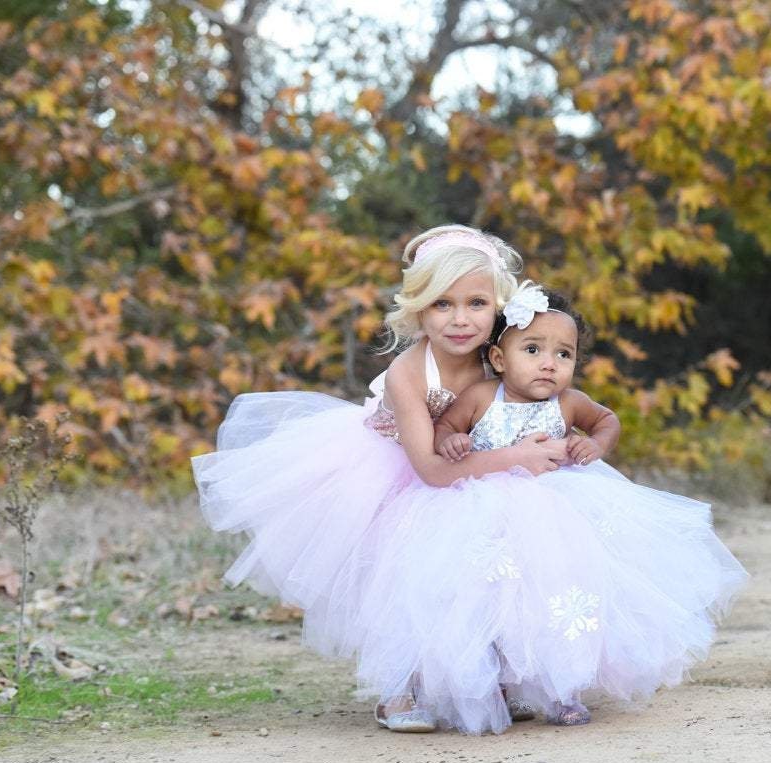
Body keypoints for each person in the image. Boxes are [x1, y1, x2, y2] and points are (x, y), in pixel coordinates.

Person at [190, 226, 568, 733]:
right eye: (441, 304)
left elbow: (538, 403)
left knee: (499, 567)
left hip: (482, 470)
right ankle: (398, 689)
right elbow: (431, 470)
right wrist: (512, 457)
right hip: (403, 475)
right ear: (417, 310)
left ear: (498, 307)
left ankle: (494, 680)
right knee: (407, 575)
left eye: (476, 303)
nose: (460, 319)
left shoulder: (500, 357)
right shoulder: (408, 373)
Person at [344, 282, 751, 734]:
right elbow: (444, 431)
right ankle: (450, 685)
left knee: (551, 591)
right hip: (480, 502)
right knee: (479, 593)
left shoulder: (568, 401)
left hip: (554, 509)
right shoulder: (482, 393)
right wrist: (453, 439)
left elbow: (606, 419)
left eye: (563, 355)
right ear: (499, 359)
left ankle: (553, 687)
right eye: (534, 350)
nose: (548, 364)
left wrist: (594, 445)